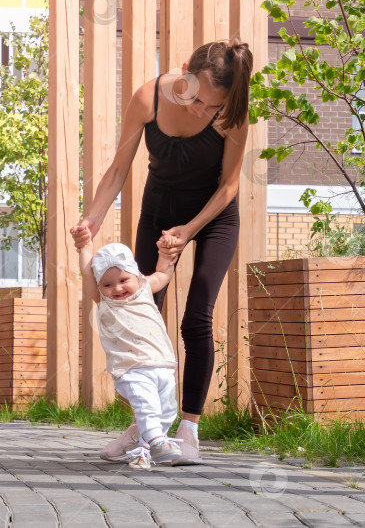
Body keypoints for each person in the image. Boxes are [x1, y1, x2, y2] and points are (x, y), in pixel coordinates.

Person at [71, 38, 253, 465]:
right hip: (159, 209)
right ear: (184, 68)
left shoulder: (233, 115)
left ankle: (188, 428)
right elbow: (119, 167)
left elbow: (228, 187)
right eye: (198, 99)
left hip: (212, 217)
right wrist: (91, 219)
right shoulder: (147, 97)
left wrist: (188, 231)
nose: (202, 112)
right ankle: (145, 429)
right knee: (138, 314)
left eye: (213, 108)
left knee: (197, 316)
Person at [77, 237, 182, 469]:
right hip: (132, 369)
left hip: (162, 365)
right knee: (147, 406)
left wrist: (165, 254)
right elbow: (87, 274)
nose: (117, 288)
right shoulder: (106, 303)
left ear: (136, 276)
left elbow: (163, 274)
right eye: (107, 284)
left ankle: (143, 450)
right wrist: (84, 248)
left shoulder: (144, 289)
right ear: (100, 288)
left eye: (124, 280)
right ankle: (156, 441)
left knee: (167, 411)